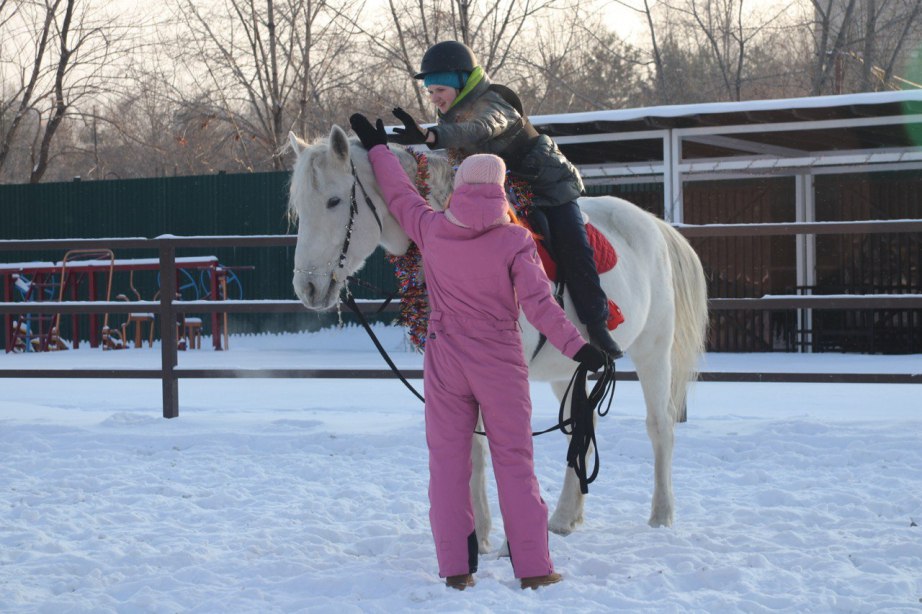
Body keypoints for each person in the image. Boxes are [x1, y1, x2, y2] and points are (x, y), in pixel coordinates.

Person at [349, 113, 608, 591]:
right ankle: (533, 569)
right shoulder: (514, 240)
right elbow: (542, 307)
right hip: (499, 363)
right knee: (514, 460)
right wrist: (581, 349)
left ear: (460, 187)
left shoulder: (430, 228)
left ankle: (456, 570)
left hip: (444, 359)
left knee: (447, 464)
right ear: (502, 191)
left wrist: (378, 149)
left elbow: (400, 195)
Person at [389, 40, 623, 360]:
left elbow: (481, 129)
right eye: (430, 92)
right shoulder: (450, 118)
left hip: (547, 186)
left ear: (461, 81)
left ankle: (597, 324)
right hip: (506, 186)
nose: (434, 97)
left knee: (571, 245)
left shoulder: (494, 103)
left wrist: (432, 137)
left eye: (439, 89)